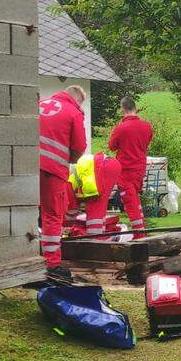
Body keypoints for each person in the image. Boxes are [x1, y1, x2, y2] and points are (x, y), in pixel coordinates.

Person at [38, 84, 88, 281]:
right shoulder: (73, 112)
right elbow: (78, 149)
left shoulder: (40, 104)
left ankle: (28, 257)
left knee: (26, 213)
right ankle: (51, 264)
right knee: (52, 215)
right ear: (78, 100)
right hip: (51, 170)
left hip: (25, 168)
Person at [107, 96, 154, 239]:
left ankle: (139, 235)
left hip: (125, 171)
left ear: (123, 109)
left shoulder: (121, 128)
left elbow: (112, 146)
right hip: (140, 170)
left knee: (130, 203)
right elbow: (146, 143)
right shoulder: (147, 126)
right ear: (135, 108)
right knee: (136, 201)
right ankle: (142, 230)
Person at [67, 151, 123, 237]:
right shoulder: (72, 171)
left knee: (94, 207)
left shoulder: (67, 181)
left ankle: (94, 240)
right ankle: (100, 235)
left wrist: (67, 224)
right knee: (100, 206)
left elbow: (72, 206)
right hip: (111, 165)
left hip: (104, 167)